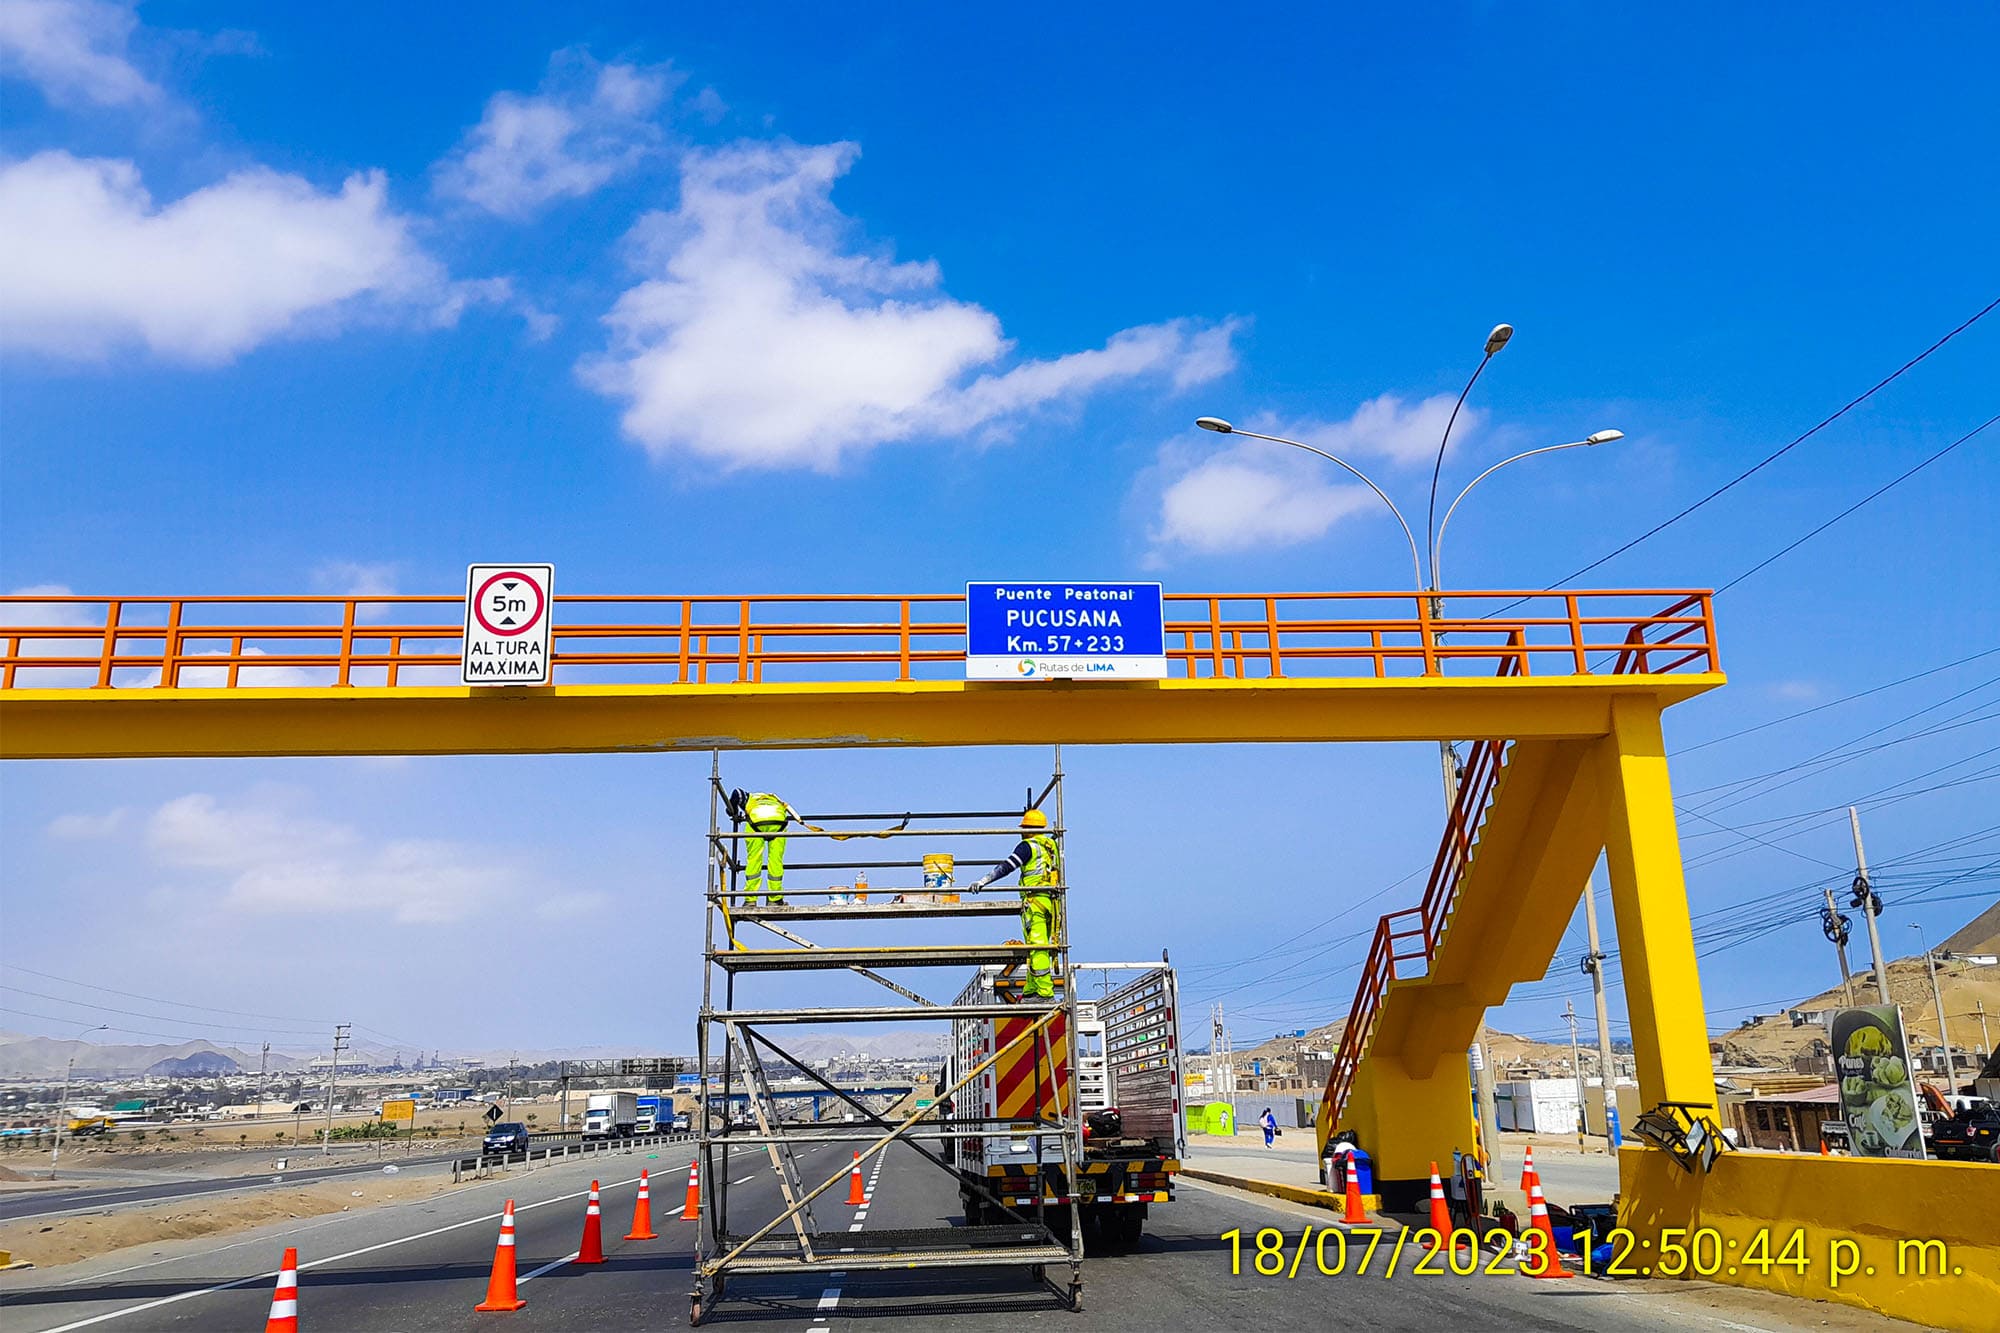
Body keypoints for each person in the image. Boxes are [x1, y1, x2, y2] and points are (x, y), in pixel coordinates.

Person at [965, 809, 1062, 999]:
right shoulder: (1050, 846)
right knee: (1034, 947)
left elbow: (1007, 866)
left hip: (1035, 903)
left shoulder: (1027, 846)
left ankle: (1044, 992)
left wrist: (984, 881)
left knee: (1038, 946)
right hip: (1051, 903)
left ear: (1026, 829)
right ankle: (1032, 990)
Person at [733, 790, 796, 905]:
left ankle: (750, 900)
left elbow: (736, 793)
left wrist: (733, 811)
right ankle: (775, 899)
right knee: (776, 861)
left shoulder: (750, 797)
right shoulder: (776, 800)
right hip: (778, 823)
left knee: (754, 859)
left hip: (756, 822)